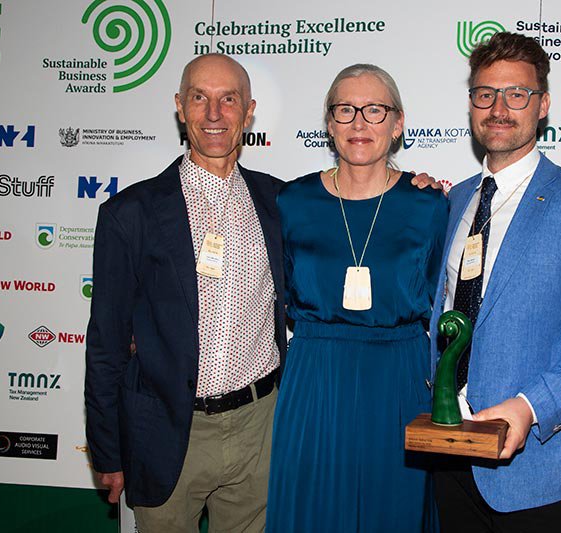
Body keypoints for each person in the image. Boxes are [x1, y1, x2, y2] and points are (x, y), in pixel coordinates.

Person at [430, 32, 561, 532]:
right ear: (471, 104)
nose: (499, 108)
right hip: (448, 453)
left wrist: (529, 407)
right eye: (486, 94)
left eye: (516, 94)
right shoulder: (453, 201)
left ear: (542, 104)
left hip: (538, 466)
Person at [84, 53, 287, 532]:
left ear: (248, 110)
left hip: (260, 427)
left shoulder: (280, 201)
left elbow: (355, 201)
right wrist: (107, 452)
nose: (213, 114)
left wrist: (412, 184)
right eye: (200, 98)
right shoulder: (129, 214)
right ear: (180, 106)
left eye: (228, 100)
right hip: (166, 432)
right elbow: (106, 344)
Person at [266, 64, 448, 532]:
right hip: (314, 377)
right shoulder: (293, 201)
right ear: (329, 123)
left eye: (374, 110)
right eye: (345, 110)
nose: (360, 123)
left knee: (396, 511)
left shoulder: (429, 205)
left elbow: (437, 292)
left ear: (398, 123)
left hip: (399, 378)